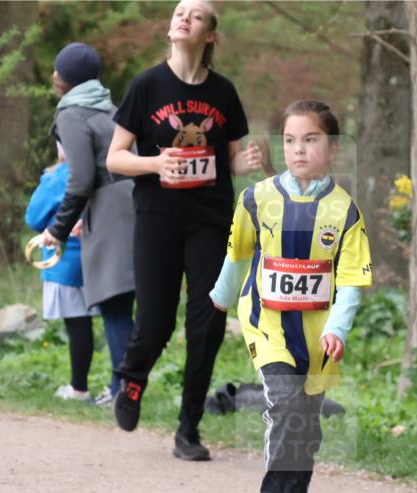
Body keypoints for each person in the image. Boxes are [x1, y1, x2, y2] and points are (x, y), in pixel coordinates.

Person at [209, 100, 373, 493]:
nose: (298, 150)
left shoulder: (345, 211)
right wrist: (220, 301)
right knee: (284, 406)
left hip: (319, 340)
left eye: (311, 139)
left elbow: (353, 281)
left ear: (333, 149)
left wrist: (337, 329)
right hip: (268, 327)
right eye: (290, 140)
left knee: (306, 426)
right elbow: (238, 254)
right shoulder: (256, 199)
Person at [105, 0, 263, 461]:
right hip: (157, 218)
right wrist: (156, 163)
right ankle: (132, 380)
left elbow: (227, 158)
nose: (183, 17)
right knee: (155, 322)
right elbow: (116, 157)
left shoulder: (224, 92)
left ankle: (188, 429)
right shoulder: (147, 85)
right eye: (179, 11)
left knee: (207, 324)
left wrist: (246, 162)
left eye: (195, 15)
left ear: (210, 35)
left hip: (211, 219)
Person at [41, 42, 136, 401]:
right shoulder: (108, 108)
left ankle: (123, 390)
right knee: (123, 301)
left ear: (66, 78)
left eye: (57, 70)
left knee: (113, 301)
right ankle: (124, 385)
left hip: (110, 206)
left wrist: (57, 229)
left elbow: (79, 178)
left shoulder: (71, 114)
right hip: (131, 202)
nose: (53, 75)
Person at [25, 146, 109, 402]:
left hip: (66, 263)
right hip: (100, 259)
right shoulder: (103, 172)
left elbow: (33, 216)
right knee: (102, 323)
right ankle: (117, 385)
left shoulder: (58, 176)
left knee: (77, 326)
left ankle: (79, 388)